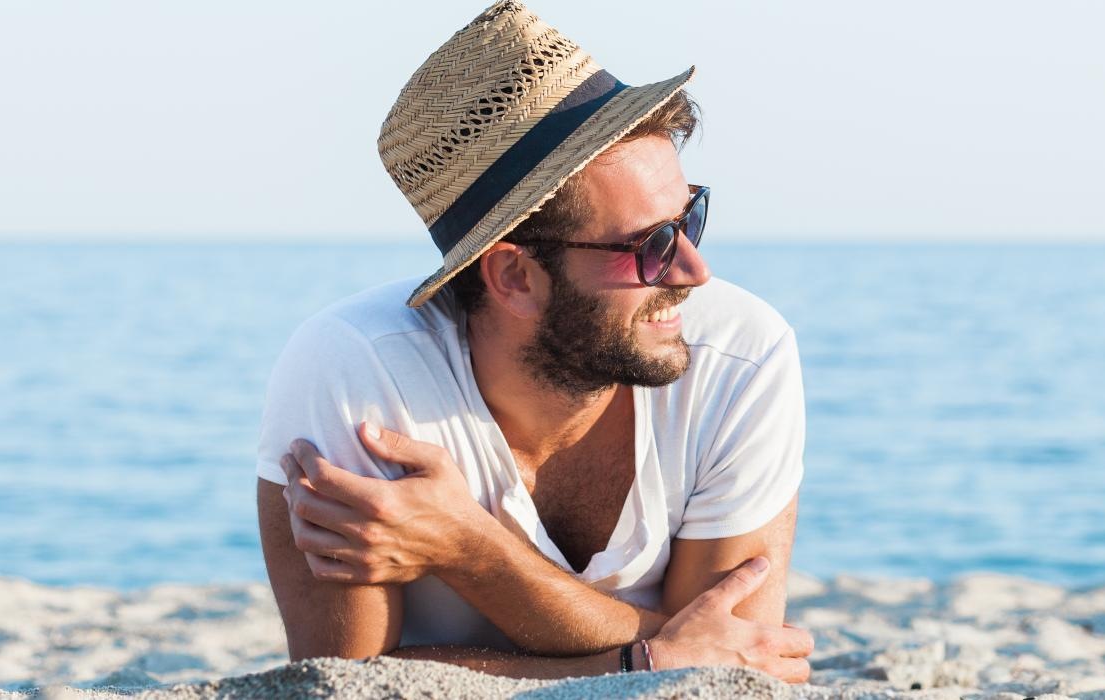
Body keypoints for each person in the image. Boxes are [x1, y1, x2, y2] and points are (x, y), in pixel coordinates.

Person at [252, 0, 812, 682]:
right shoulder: (360, 372)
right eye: (650, 245)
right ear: (515, 275)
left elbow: (737, 668)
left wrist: (471, 550)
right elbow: (346, 682)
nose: (696, 272)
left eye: (689, 217)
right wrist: (646, 660)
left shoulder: (741, 355)